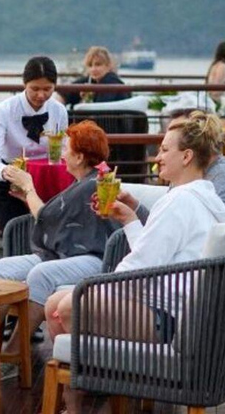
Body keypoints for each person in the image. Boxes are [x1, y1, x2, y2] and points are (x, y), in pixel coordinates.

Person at [46, 111, 225, 341]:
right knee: (55, 303)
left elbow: (139, 268)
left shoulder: (180, 200)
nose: (157, 157)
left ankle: (94, 375)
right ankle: (81, 372)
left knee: (68, 305)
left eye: (164, 150)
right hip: (178, 312)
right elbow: (155, 255)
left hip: (168, 319)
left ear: (186, 156)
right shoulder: (205, 199)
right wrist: (129, 219)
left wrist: (93, 288)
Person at [0, 121, 119, 372]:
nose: (61, 154)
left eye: (66, 149)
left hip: (96, 256)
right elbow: (53, 216)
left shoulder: (96, 184)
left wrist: (29, 187)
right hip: (64, 254)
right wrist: (27, 196)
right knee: (1, 268)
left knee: (41, 274)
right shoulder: (80, 182)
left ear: (80, 156)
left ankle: (14, 353)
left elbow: (48, 217)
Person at [0, 56, 69, 231]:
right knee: (15, 235)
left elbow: (64, 150)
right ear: (24, 84)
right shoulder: (4, 110)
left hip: (48, 180)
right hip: (11, 182)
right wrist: (5, 171)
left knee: (50, 235)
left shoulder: (59, 110)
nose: (41, 95)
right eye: (35, 89)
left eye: (48, 89)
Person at [57, 46, 130, 107]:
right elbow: (65, 92)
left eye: (98, 64)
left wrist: (85, 99)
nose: (93, 69)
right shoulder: (91, 80)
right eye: (90, 65)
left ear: (108, 66)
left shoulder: (111, 81)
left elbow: (100, 108)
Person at [205, 41, 225, 108]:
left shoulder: (215, 65)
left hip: (211, 99)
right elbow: (215, 89)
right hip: (216, 101)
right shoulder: (222, 66)